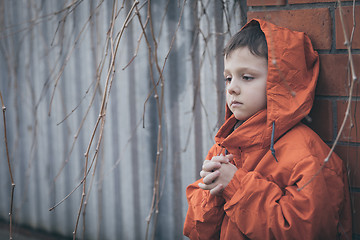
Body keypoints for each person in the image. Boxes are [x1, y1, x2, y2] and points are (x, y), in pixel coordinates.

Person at [183, 19, 352, 240]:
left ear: (278, 84)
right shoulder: (225, 146)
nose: (232, 88)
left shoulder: (308, 156)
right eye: (228, 78)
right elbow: (196, 232)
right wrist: (212, 191)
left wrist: (233, 185)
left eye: (247, 77)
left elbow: (304, 231)